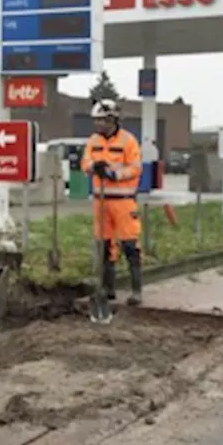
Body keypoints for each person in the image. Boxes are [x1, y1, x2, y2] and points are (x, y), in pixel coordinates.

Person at [81, 98, 144, 305]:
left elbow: (135, 168)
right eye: (96, 121)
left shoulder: (128, 141)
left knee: (129, 245)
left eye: (102, 121)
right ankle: (108, 289)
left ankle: (136, 291)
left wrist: (114, 174)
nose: (98, 125)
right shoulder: (93, 141)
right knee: (104, 245)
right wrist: (93, 167)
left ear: (112, 120)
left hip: (123, 202)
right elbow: (85, 162)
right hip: (101, 202)